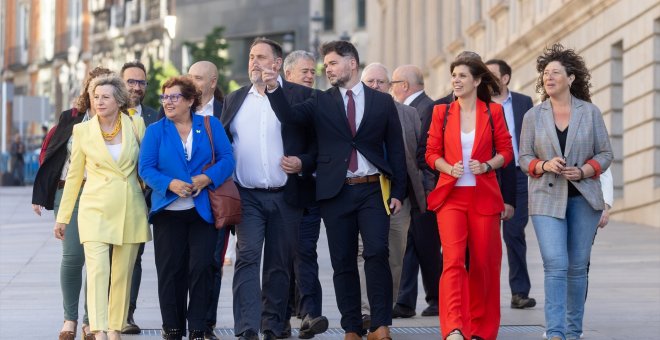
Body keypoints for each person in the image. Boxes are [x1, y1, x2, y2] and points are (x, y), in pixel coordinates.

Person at [263, 40, 407, 340]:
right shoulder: (320, 101)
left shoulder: (381, 101)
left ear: (351, 63)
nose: (326, 69)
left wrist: (398, 192)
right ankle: (352, 327)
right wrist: (274, 88)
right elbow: (289, 117)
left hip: (372, 190)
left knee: (377, 253)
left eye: (331, 63)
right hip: (335, 192)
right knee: (342, 261)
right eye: (324, 65)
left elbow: (396, 148)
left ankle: (381, 325)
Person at [220, 38, 316, 340]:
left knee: (279, 262)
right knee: (247, 257)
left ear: (277, 63)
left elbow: (318, 144)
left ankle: (273, 327)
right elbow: (224, 144)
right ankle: (246, 328)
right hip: (246, 195)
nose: (253, 62)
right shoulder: (235, 99)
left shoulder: (301, 96)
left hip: (286, 195)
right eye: (250, 56)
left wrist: (302, 162)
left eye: (260, 57)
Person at [519, 43, 613, 340]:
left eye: (555, 73)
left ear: (571, 78)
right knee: (555, 264)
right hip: (547, 198)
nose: (549, 78)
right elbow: (523, 159)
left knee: (576, 267)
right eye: (546, 73)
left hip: (584, 199)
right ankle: (556, 332)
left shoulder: (591, 112)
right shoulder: (534, 116)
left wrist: (585, 170)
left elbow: (605, 153)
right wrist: (544, 164)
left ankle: (573, 332)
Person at [54, 73, 152, 340]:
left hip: (129, 207)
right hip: (94, 208)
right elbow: (74, 176)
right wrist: (62, 218)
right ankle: (98, 330)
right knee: (98, 271)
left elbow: (146, 167)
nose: (99, 102)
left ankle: (115, 329)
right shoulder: (82, 130)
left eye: (105, 97)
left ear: (119, 100)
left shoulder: (136, 124)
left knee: (122, 275)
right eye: (95, 97)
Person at [138, 75, 234, 340]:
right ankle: (173, 327)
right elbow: (145, 168)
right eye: (165, 97)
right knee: (170, 272)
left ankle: (199, 328)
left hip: (202, 211)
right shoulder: (156, 130)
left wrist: (207, 178)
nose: (168, 102)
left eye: (174, 97)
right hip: (168, 213)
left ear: (190, 100)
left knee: (202, 268)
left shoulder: (210, 124)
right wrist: (170, 184)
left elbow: (228, 159)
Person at [425, 54, 513, 340]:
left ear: (476, 81)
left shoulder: (494, 113)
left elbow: (507, 153)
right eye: (454, 76)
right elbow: (430, 154)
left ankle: (481, 329)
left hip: (483, 196)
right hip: (451, 196)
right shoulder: (442, 113)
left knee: (484, 263)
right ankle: (453, 327)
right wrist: (448, 167)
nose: (456, 80)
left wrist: (487, 164)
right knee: (452, 262)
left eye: (462, 75)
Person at [32, 66, 113, 340]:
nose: (99, 97)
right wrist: (41, 194)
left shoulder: (120, 120)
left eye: (104, 91)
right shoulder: (72, 118)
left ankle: (92, 322)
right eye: (94, 89)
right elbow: (52, 155)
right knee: (73, 257)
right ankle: (70, 319)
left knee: (98, 259)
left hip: (105, 194)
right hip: (71, 192)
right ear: (87, 90)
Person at [357, 63, 426, 328]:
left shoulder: (408, 114)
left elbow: (417, 156)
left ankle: (383, 311)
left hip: (399, 197)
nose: (375, 86)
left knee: (395, 255)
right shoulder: (355, 113)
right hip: (365, 193)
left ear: (390, 86)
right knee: (365, 252)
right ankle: (365, 311)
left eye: (381, 82)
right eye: (370, 81)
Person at [282, 49, 329, 339]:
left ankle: (311, 314)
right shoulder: (270, 102)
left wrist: (304, 162)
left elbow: (322, 146)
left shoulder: (320, 101)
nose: (311, 76)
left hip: (307, 191)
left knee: (304, 252)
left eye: (313, 71)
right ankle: (286, 314)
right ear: (288, 74)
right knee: (282, 257)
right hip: (274, 194)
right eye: (305, 71)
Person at [485, 59, 537, 309]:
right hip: (486, 175)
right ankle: (485, 292)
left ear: (505, 78)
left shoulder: (523, 102)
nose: (487, 79)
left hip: (516, 175)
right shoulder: (479, 104)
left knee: (514, 233)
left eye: (492, 75)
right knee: (485, 237)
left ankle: (519, 292)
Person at [390, 64, 441, 318]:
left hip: (423, 190)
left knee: (427, 245)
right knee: (409, 245)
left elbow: (426, 153)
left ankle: (437, 298)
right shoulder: (418, 107)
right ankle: (405, 300)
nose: (390, 88)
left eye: (392, 83)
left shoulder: (426, 108)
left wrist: (429, 189)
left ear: (404, 86)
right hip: (410, 190)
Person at [185, 60, 229, 340]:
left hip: (215, 199)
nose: (193, 82)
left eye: (199, 78)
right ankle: (179, 321)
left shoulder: (228, 110)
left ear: (213, 82)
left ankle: (205, 324)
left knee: (212, 262)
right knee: (183, 263)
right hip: (179, 200)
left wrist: (208, 177)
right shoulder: (177, 108)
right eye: (189, 77)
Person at [119, 60, 159, 335]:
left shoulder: (156, 117)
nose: (135, 87)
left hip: (141, 201)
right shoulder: (106, 113)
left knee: (134, 258)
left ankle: (127, 314)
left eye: (140, 82)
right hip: (109, 199)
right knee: (104, 258)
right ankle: (99, 314)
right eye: (130, 81)